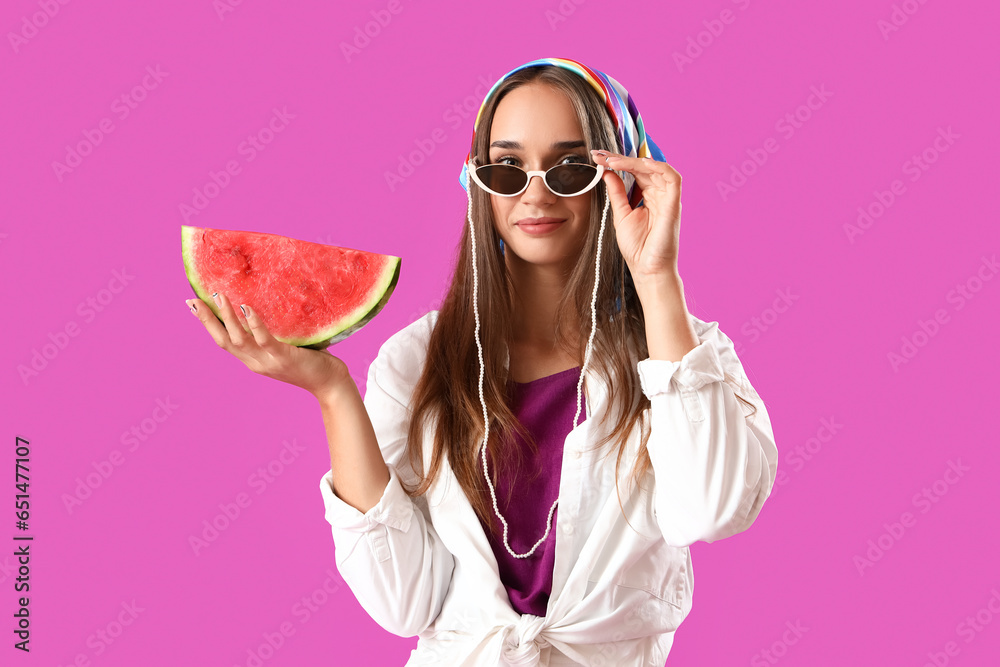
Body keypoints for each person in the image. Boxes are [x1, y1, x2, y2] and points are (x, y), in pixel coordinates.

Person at [186, 56, 778, 666]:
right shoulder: (416, 361)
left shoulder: (687, 353)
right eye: (508, 167)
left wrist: (655, 278)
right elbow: (402, 603)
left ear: (622, 179)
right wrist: (333, 391)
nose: (536, 192)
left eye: (572, 167)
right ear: (479, 183)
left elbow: (713, 509)